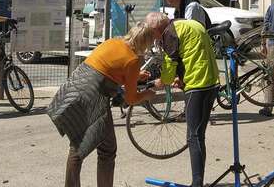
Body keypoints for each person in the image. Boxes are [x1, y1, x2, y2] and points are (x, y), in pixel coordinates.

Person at [47, 22, 157, 187]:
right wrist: (147, 94)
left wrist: (134, 76)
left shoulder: (113, 42)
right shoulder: (133, 60)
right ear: (146, 42)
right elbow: (131, 99)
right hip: (92, 96)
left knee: (78, 144)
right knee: (106, 149)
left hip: (75, 87)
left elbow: (109, 67)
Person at [145, 12, 219, 187]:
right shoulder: (186, 24)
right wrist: (182, 76)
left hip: (198, 85)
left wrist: (160, 81)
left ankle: (197, 183)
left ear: (157, 28)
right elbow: (192, 53)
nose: (152, 36)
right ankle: (198, 181)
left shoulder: (169, 34)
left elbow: (169, 70)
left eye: (151, 32)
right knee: (197, 135)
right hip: (210, 81)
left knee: (194, 137)